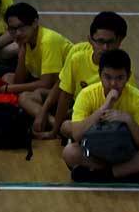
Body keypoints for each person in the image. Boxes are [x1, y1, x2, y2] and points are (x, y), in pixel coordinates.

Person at [32, 11, 131, 140]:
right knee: (28, 98)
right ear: (90, 39)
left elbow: (125, 104)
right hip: (78, 110)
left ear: (119, 41)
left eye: (110, 42)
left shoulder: (121, 66)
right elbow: (64, 93)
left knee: (68, 129)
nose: (105, 48)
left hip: (102, 118)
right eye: (100, 42)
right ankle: (53, 122)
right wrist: (52, 128)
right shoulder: (77, 56)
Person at [62, 49, 139, 182]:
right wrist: (104, 107)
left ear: (128, 76)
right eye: (108, 77)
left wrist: (129, 120)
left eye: (119, 78)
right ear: (100, 75)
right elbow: (76, 135)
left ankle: (102, 175)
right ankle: (123, 173)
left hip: (126, 153)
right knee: (69, 152)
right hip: (96, 153)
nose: (113, 83)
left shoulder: (138, 98)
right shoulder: (87, 95)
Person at [0, 2, 72, 119]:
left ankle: (54, 125)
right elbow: (19, 80)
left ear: (34, 23)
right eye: (12, 29)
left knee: (25, 97)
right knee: (7, 77)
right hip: (52, 86)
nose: (17, 33)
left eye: (21, 28)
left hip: (69, 90)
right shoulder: (26, 41)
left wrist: (9, 89)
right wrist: (22, 52)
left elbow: (46, 83)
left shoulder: (48, 41)